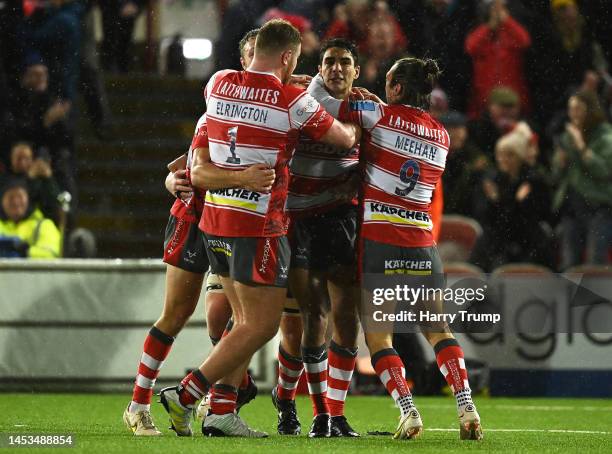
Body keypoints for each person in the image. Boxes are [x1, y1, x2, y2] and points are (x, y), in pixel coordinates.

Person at [158, 18, 360, 438]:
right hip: (257, 225)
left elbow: (209, 147)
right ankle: (188, 394)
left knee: (237, 323)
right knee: (261, 326)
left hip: (214, 220)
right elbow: (342, 139)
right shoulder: (292, 100)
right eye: (296, 62)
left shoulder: (217, 83)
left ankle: (222, 413)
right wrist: (328, 107)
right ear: (288, 57)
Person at [308, 56, 483, 440]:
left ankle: (408, 410)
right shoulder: (442, 135)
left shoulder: (376, 113)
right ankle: (466, 404)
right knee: (438, 329)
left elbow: (320, 103)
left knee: (378, 338)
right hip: (422, 242)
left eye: (388, 82)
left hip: (381, 241)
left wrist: (329, 82)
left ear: (398, 88)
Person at [122, 29, 272, 437]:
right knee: (177, 313)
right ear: (244, 62)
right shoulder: (219, 109)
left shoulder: (277, 107)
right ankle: (139, 404)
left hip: (232, 224)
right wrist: (172, 181)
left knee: (234, 318)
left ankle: (219, 406)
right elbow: (186, 165)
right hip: (196, 219)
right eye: (251, 54)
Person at [274, 38, 363, 438]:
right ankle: (290, 402)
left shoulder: (366, 106)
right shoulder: (301, 98)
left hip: (339, 218)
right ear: (320, 68)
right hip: (296, 220)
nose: (338, 69)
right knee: (301, 326)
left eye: (346, 62)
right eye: (330, 62)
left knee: (344, 319)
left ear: (356, 71)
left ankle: (332, 414)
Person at [552, 90, 612, 269]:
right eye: (571, 109)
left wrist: (582, 149)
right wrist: (559, 163)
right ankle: (571, 297)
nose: (573, 114)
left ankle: (597, 297)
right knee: (570, 262)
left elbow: (604, 171)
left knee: (595, 262)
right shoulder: (567, 138)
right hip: (573, 205)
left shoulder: (606, 137)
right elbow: (556, 176)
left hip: (599, 207)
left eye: (578, 108)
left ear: (590, 110)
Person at [465, 0, 531, 119]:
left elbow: (524, 40)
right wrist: (490, 25)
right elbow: (471, 46)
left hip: (512, 97)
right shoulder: (482, 35)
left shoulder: (510, 36)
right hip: (485, 100)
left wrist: (507, 21)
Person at [0, 178, 60, 259]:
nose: (16, 202)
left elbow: (51, 254)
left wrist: (26, 252)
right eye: (11, 197)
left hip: (33, 271)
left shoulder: (44, 225)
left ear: (28, 199)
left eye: (20, 196)